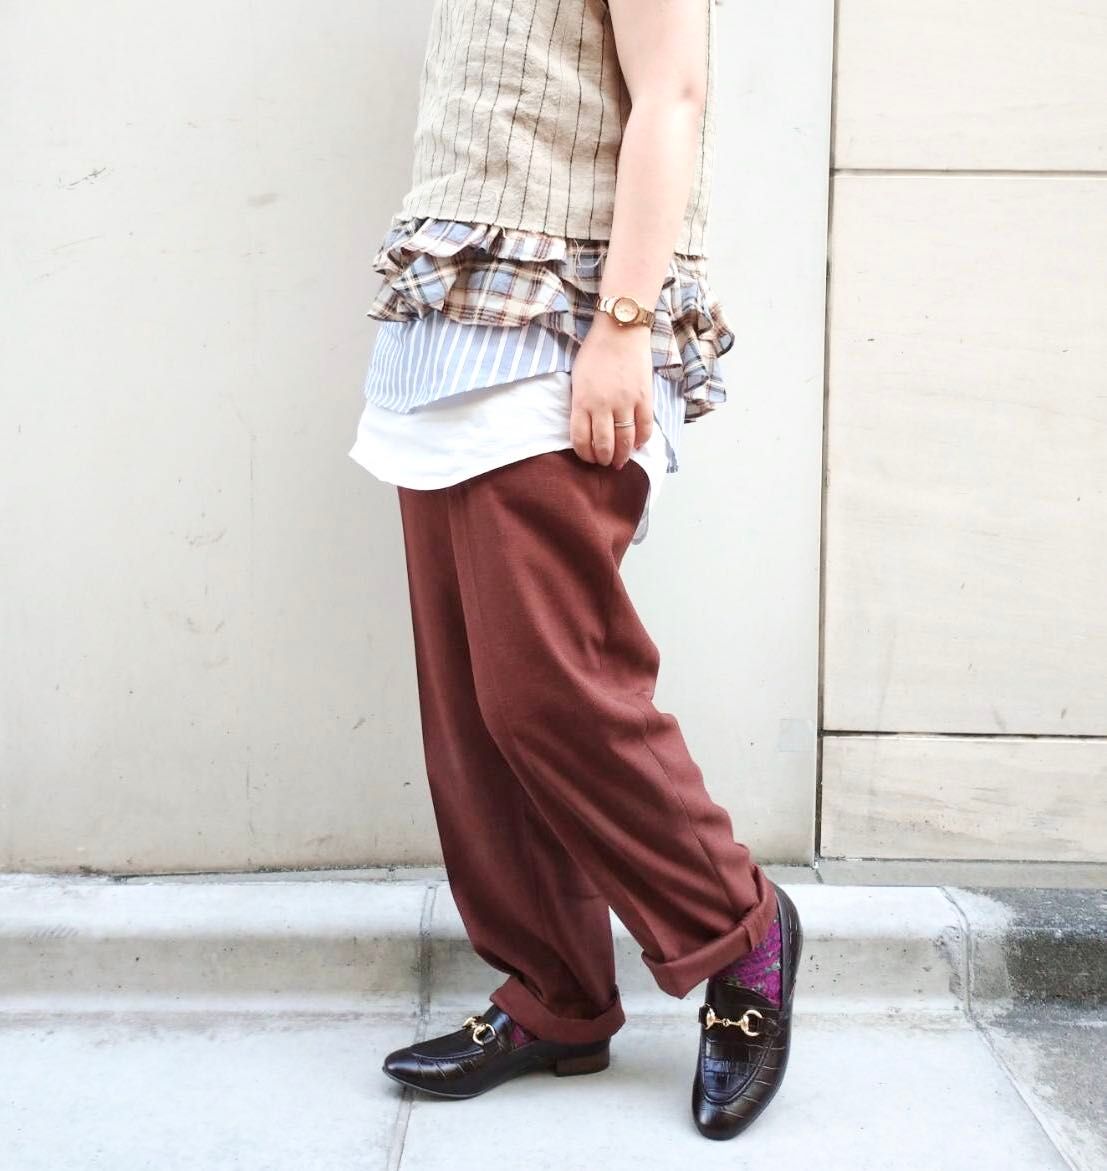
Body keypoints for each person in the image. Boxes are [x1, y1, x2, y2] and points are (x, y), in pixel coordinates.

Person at [348, 0, 802, 1140]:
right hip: (452, 311)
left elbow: (673, 94)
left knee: (547, 688)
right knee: (473, 710)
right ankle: (555, 991)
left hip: (565, 321)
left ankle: (741, 930)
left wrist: (624, 324)